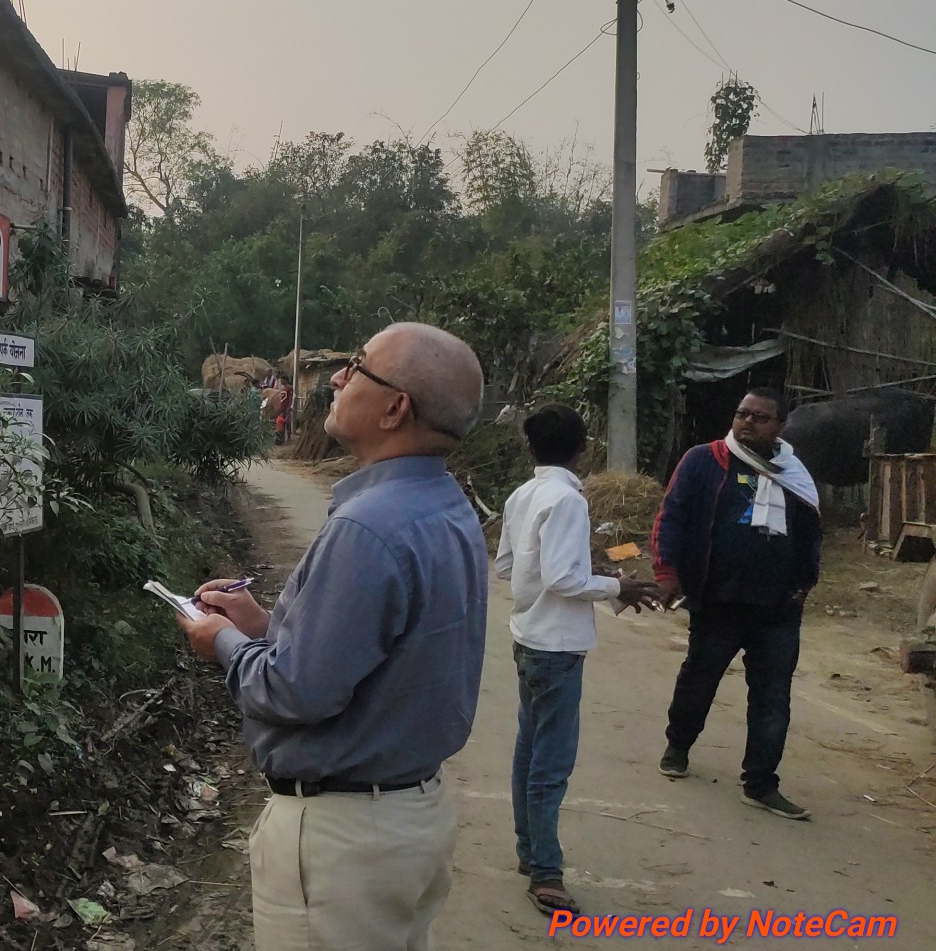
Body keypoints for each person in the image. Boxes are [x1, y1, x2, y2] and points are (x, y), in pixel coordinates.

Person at [178, 322, 489, 951]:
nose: (340, 378)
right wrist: (264, 627)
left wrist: (223, 643)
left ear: (395, 408)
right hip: (409, 820)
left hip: (344, 843)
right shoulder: (444, 507)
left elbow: (294, 692)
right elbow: (379, 651)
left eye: (358, 366)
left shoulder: (368, 526)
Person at [495, 404, 660, 917]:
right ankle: (545, 870)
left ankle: (530, 851)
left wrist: (600, 582)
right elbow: (563, 578)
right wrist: (616, 585)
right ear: (583, 448)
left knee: (529, 750)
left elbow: (507, 566)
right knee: (551, 762)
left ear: (532, 446)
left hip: (528, 636)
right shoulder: (567, 499)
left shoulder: (523, 495)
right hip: (557, 646)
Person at [652, 387, 821, 819]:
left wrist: (806, 581)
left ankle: (761, 783)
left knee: (772, 696)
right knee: (700, 678)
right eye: (742, 413)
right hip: (719, 600)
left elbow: (810, 531)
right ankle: (678, 745)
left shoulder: (794, 472)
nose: (747, 422)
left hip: (778, 608)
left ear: (780, 426)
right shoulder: (703, 460)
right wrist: (667, 572)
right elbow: (671, 516)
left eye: (759, 417)